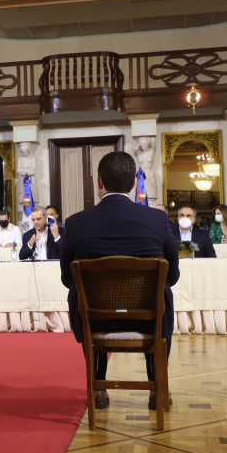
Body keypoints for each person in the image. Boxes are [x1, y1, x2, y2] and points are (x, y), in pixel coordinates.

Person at [60, 151, 179, 411]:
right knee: (164, 294)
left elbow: (68, 278)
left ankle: (98, 389)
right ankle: (157, 389)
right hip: (149, 318)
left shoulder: (76, 223)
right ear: (134, 183)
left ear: (99, 182)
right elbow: (173, 275)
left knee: (79, 296)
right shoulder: (157, 220)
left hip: (96, 319)